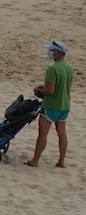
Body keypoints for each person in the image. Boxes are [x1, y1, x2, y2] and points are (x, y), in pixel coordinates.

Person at [27, 40, 72, 168]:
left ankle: (35, 161)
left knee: (43, 134)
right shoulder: (69, 67)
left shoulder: (52, 69)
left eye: (52, 51)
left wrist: (39, 90)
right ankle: (61, 161)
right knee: (62, 133)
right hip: (65, 105)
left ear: (57, 52)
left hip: (51, 106)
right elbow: (62, 86)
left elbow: (50, 91)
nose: (50, 53)